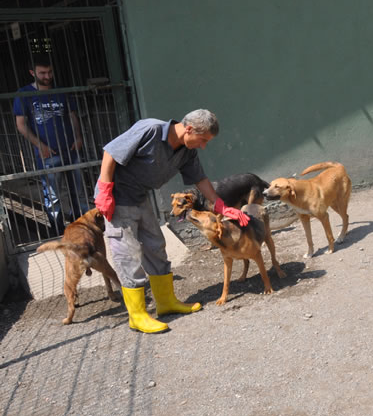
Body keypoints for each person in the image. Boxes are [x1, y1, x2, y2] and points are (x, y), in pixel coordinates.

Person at [94, 109, 250, 334]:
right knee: (127, 253)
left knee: (155, 246)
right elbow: (110, 153)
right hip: (116, 198)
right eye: (203, 139)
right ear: (189, 129)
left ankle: (166, 303)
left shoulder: (186, 151)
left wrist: (221, 206)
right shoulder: (150, 129)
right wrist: (105, 190)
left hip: (140, 196)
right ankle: (137, 316)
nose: (203, 146)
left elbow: (200, 179)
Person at [13, 54, 90, 234]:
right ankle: (57, 231)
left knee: (78, 191)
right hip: (48, 153)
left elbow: (72, 116)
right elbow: (21, 124)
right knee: (53, 195)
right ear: (32, 72)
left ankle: (83, 227)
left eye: (49, 72)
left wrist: (78, 137)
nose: (47, 76)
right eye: (42, 73)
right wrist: (39, 145)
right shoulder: (24, 94)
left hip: (70, 149)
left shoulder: (61, 91)